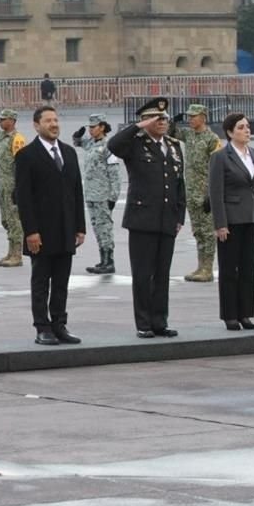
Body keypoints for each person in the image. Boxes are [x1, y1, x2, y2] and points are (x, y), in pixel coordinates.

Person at [108, 97, 186, 339]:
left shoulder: (172, 145)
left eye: (164, 118)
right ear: (145, 121)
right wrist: (137, 127)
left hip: (166, 219)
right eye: (157, 118)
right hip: (142, 219)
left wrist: (179, 215)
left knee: (162, 274)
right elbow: (113, 145)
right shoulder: (134, 144)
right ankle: (143, 323)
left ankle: (159, 321)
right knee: (143, 274)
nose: (163, 122)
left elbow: (178, 182)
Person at [15, 106, 86, 346]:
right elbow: (23, 198)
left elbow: (76, 191)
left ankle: (59, 324)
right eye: (48, 121)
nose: (54, 124)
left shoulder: (69, 152)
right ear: (36, 125)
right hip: (41, 232)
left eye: (56, 120)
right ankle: (42, 327)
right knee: (41, 281)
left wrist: (80, 226)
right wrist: (31, 232)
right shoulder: (26, 155)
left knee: (62, 282)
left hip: (66, 230)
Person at [208, 113, 254, 331]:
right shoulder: (221, 157)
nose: (247, 130)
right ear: (230, 132)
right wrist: (220, 223)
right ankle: (230, 315)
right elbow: (215, 192)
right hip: (231, 220)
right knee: (229, 269)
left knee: (247, 268)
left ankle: (245, 313)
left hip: (251, 217)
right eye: (241, 127)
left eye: (248, 127)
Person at [169, 104, 222, 282]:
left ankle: (208, 268)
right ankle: (200, 266)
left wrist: (211, 193)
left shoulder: (212, 139)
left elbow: (217, 168)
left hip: (205, 193)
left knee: (208, 232)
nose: (190, 119)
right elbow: (171, 133)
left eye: (194, 116)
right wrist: (172, 122)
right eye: (189, 117)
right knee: (197, 230)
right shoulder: (189, 134)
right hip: (191, 192)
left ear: (203, 117)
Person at [72, 113, 121, 274]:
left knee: (105, 228)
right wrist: (77, 136)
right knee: (97, 228)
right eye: (90, 128)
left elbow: (115, 174)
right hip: (91, 194)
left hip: (103, 195)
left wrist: (113, 197)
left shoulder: (109, 146)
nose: (91, 130)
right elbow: (78, 143)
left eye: (94, 127)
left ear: (102, 127)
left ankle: (109, 261)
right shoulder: (91, 143)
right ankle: (103, 260)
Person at [0, 109, 26, 267]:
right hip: (3, 184)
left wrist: (19, 187)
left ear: (12, 121)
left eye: (3, 119)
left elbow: (21, 163)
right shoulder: (2, 136)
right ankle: (10, 252)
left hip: (12, 185)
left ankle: (17, 255)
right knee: (6, 220)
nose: (1, 122)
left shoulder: (17, 139)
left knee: (14, 220)